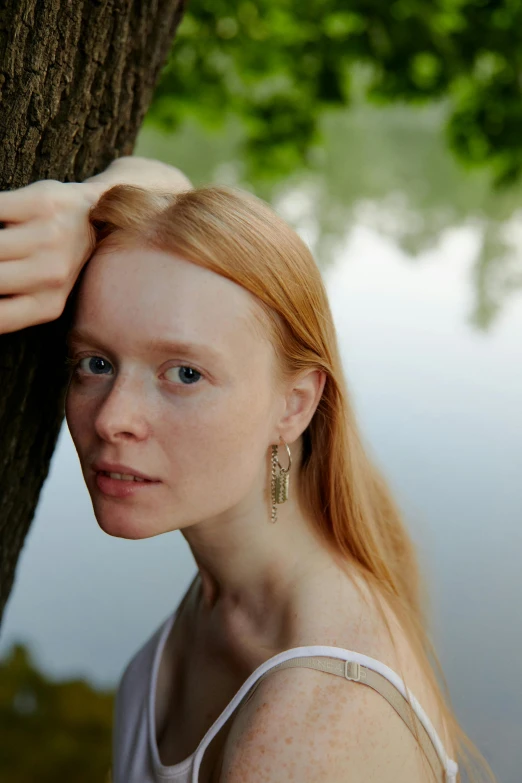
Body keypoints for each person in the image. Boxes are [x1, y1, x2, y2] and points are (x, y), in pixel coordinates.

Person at [0, 157, 495, 783]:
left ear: (295, 405)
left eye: (184, 373)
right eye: (95, 363)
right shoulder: (245, 587)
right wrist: (88, 207)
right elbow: (170, 192)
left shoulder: (310, 735)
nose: (111, 419)